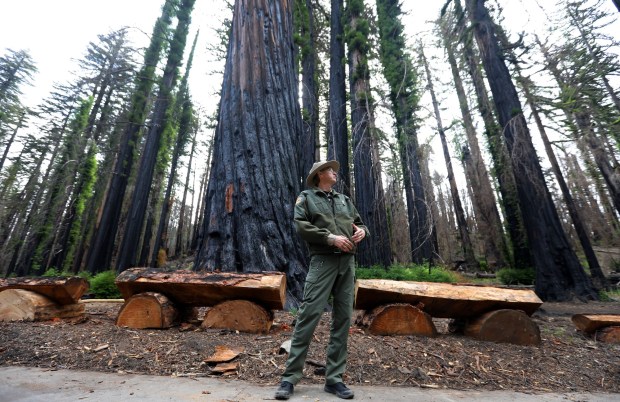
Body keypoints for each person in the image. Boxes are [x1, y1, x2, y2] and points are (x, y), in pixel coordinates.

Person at [275, 160, 368, 400]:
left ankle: (334, 379)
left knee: (343, 318)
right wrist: (330, 238)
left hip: (347, 263)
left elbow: (359, 222)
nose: (334, 172)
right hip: (322, 262)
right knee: (308, 316)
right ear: (319, 175)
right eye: (329, 169)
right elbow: (301, 225)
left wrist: (362, 231)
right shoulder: (306, 198)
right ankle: (290, 378)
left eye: (334, 169)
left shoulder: (344, 200)